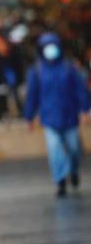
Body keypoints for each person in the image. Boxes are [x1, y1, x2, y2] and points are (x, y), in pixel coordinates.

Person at [24, 32, 89, 197]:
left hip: (69, 116)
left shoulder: (68, 68)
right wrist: (29, 117)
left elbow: (80, 90)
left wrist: (85, 109)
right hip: (49, 118)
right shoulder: (37, 71)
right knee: (54, 149)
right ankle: (60, 179)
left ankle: (73, 172)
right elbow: (32, 95)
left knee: (74, 149)